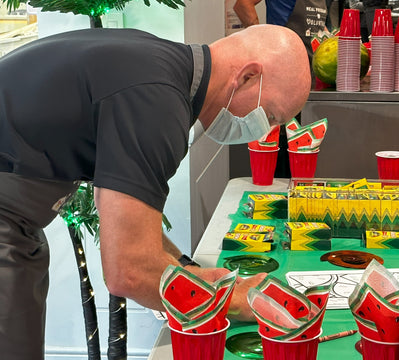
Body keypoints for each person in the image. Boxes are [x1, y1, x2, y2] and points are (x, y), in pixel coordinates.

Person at [0, 24, 311, 359]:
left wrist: (189, 270)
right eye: (270, 116)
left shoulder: (158, 67)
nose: (264, 131)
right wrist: (234, 300)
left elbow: (127, 218)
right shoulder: (157, 99)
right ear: (248, 76)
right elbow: (129, 271)